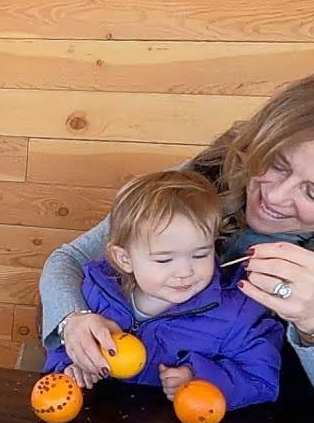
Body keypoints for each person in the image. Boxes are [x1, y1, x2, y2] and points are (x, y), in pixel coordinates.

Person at [40, 54, 314, 423]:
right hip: (148, 421)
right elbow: (72, 259)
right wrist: (72, 320)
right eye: (278, 163)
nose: (272, 196)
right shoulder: (212, 174)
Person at [44, 171, 282, 410]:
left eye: (200, 254)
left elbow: (260, 380)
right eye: (164, 260)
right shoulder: (96, 291)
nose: (185, 272)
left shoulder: (237, 313)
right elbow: (64, 346)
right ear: (124, 259)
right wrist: (71, 366)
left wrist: (199, 377)